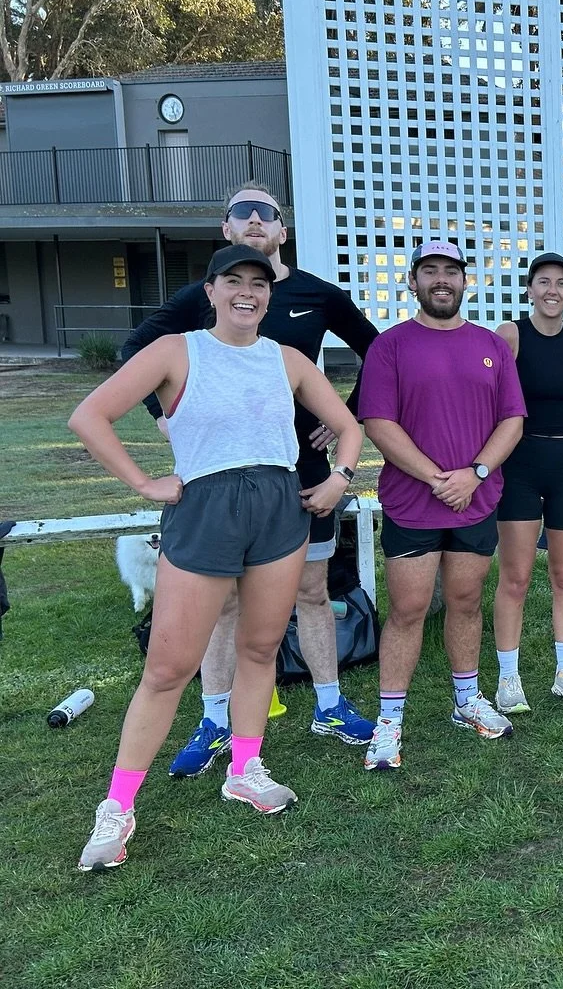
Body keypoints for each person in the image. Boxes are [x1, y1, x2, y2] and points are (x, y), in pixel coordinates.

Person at [72, 244, 363, 870]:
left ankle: (245, 768)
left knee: (260, 648)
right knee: (168, 667)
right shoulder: (176, 351)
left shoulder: (287, 359)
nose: (246, 293)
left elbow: (350, 427)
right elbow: (90, 416)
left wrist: (340, 477)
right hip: (206, 510)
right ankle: (117, 806)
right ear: (210, 291)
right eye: (233, 281)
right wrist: (144, 483)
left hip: (279, 510)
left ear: (269, 295)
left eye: (258, 283)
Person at [120, 183, 379, 778]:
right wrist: (163, 416)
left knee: (314, 591)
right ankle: (215, 719)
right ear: (226, 229)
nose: (256, 219)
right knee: (226, 604)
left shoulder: (317, 293)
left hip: (302, 470)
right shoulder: (205, 295)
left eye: (268, 212)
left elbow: (379, 351)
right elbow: (137, 348)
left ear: (283, 230)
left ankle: (330, 706)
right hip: (219, 480)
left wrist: (348, 417)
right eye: (244, 211)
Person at [357, 241, 526, 770]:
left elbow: (512, 420)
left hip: (476, 499)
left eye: (450, 271)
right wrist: (437, 479)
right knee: (408, 610)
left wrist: (475, 474)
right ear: (413, 281)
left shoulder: (491, 346)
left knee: (466, 601)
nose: (441, 280)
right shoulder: (389, 346)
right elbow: (378, 423)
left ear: (464, 281)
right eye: (429, 271)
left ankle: (466, 700)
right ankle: (389, 720)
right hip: (414, 502)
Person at [492, 252, 563, 711]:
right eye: (543, 281)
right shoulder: (510, 335)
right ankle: (508, 677)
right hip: (519, 464)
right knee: (515, 576)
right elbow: (492, 400)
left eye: (561, 283)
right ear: (529, 289)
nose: (552, 290)